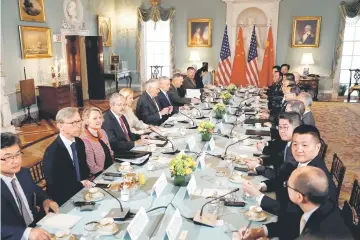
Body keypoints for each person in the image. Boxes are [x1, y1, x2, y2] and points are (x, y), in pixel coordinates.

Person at [243, 125, 337, 216]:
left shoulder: (315, 177)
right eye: (295, 144)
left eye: (304, 145)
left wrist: (258, 196)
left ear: (317, 147)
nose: (298, 150)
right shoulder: (302, 162)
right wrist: (263, 185)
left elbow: (292, 212)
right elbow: (282, 180)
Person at [239, 166, 353, 240]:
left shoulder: (316, 234)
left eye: (287, 186)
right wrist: (259, 231)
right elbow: (293, 224)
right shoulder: (323, 206)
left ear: (299, 197)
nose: (285, 187)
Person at [1, 132, 59, 240]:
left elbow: (35, 190)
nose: (16, 161)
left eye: (18, 154)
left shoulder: (23, 173)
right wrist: (27, 233)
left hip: (37, 226)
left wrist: (45, 200)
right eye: (7, 158)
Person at [43, 107, 92, 205]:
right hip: (64, 199)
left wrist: (86, 180)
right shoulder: (52, 152)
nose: (78, 126)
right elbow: (54, 185)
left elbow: (84, 168)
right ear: (60, 126)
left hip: (84, 192)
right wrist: (79, 185)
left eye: (79, 121)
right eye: (73, 123)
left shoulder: (79, 142)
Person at [247, 112, 301, 179]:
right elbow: (279, 157)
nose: (281, 131)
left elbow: (280, 176)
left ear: (297, 127)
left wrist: (257, 167)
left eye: (285, 127)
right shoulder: (289, 142)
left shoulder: (297, 149)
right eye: (280, 127)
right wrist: (260, 161)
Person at [80, 107, 114, 177]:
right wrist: (110, 174)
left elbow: (110, 152)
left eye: (100, 117)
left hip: (111, 168)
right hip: (100, 175)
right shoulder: (85, 140)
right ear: (87, 121)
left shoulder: (102, 132)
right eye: (95, 118)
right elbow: (92, 168)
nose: (99, 120)